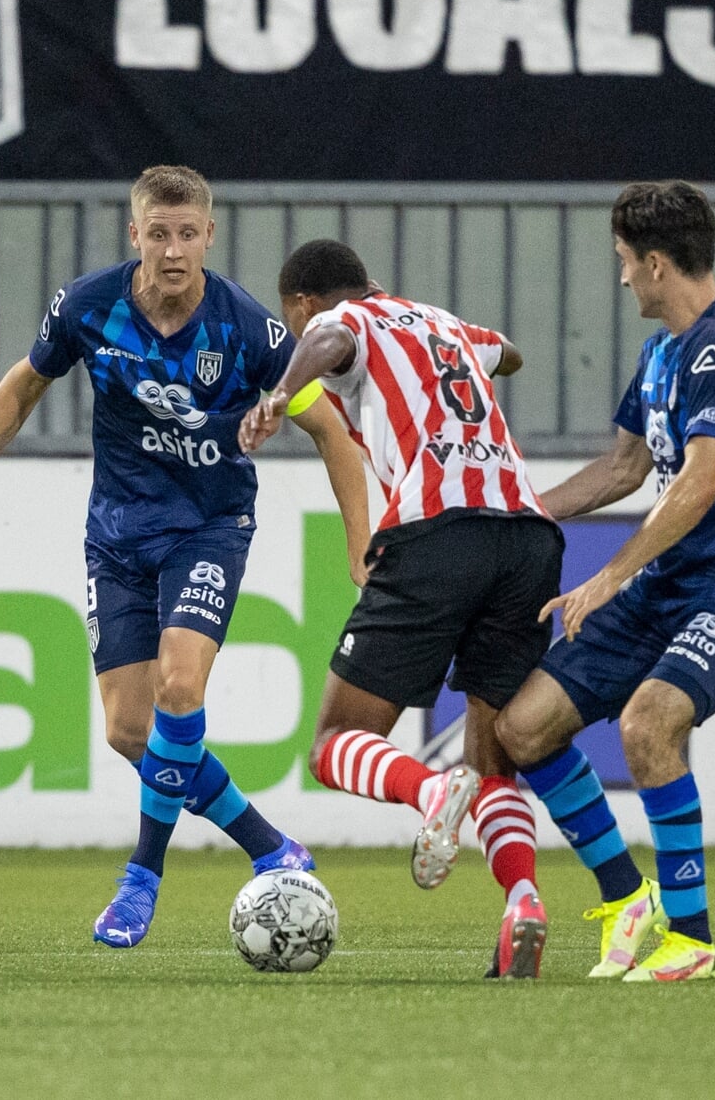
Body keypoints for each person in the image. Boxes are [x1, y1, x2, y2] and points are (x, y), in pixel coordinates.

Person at [0, 165, 371, 948]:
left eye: (188, 234)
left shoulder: (246, 328)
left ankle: (140, 878)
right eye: (159, 233)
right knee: (127, 730)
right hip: (115, 535)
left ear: (209, 236)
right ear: (135, 234)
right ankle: (270, 846)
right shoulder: (88, 306)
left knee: (181, 688)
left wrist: (359, 545)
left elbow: (332, 434)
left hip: (208, 528)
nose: (174, 250)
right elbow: (20, 386)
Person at [491, 181, 715, 983]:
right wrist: (514, 512)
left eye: (626, 263)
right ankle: (630, 900)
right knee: (522, 729)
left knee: (648, 726)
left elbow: (695, 484)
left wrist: (606, 575)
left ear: (657, 265)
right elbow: (624, 467)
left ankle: (692, 942)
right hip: (662, 591)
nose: (623, 278)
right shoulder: (661, 354)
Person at [241, 240, 564, 980]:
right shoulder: (447, 327)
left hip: (438, 532)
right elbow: (508, 353)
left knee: (335, 744)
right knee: (494, 760)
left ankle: (429, 790)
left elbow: (330, 337)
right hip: (527, 537)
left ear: (299, 305)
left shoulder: (339, 322)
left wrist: (275, 393)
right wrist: (459, 346)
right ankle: (523, 901)